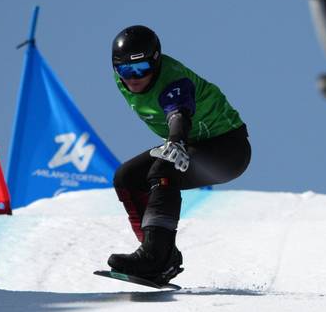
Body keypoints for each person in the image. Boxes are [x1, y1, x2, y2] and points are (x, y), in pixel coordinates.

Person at [106, 25, 251, 283]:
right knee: (126, 177)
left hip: (228, 150)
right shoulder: (122, 79)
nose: (134, 78)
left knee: (164, 169)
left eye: (142, 69)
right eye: (126, 70)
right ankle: (160, 252)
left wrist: (176, 141)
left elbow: (178, 114)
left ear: (157, 61)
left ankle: (155, 256)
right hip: (194, 144)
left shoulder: (173, 81)